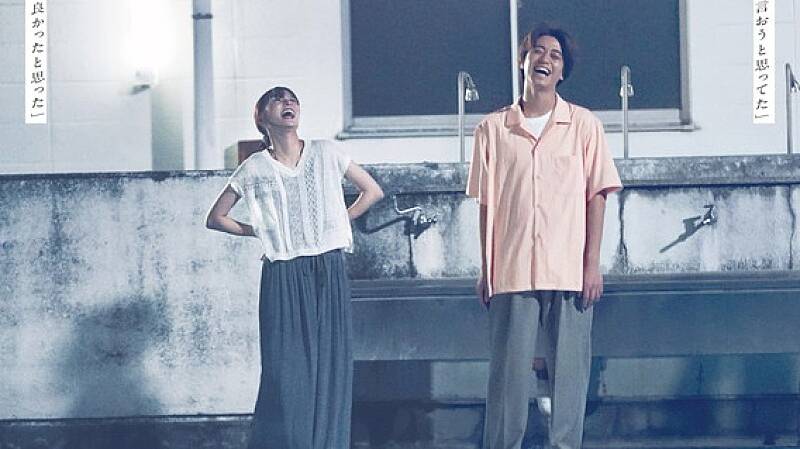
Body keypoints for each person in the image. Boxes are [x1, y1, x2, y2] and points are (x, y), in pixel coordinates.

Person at [467, 25, 622, 449]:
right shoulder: (492, 129)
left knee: (570, 377)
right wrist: (486, 269)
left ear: (562, 71)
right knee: (507, 378)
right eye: (538, 51)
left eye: (555, 55)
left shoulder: (584, 125)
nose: (546, 59)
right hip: (512, 267)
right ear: (523, 61)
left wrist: (591, 265)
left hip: (569, 268)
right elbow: (486, 204)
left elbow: (597, 196)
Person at [206, 86, 384, 449]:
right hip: (283, 274)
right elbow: (216, 217)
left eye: (292, 98)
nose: (287, 102)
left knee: (329, 367)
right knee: (285, 374)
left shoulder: (327, 152)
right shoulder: (254, 167)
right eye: (277, 99)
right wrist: (262, 231)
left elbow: (373, 191)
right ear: (261, 117)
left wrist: (337, 220)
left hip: (328, 269)